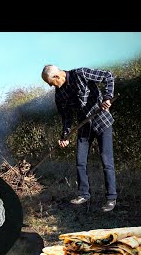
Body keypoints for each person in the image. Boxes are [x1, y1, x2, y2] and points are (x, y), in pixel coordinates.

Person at [41, 64, 117, 212]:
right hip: (84, 127)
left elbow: (108, 76)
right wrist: (65, 135)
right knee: (80, 162)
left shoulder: (81, 74)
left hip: (102, 121)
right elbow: (66, 117)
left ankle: (111, 198)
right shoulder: (59, 94)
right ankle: (84, 194)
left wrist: (107, 97)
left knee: (106, 161)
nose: (51, 86)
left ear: (57, 77)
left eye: (51, 83)